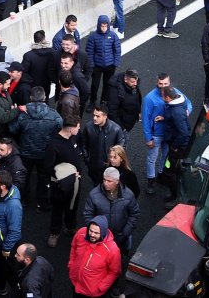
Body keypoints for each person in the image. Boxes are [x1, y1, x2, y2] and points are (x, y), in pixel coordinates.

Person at [142, 73, 191, 194]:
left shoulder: (173, 92)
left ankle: (161, 175)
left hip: (169, 134)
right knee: (152, 158)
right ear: (156, 83)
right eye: (160, 84)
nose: (163, 86)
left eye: (165, 84)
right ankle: (151, 179)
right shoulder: (149, 98)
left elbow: (188, 103)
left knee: (165, 156)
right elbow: (145, 119)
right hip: (156, 134)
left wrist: (187, 111)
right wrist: (148, 138)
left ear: (170, 84)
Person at [43, 116, 84, 248]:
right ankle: (54, 233)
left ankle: (71, 227)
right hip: (60, 185)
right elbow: (48, 167)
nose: (79, 129)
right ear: (71, 129)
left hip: (75, 182)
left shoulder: (74, 137)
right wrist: (67, 176)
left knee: (73, 205)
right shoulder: (53, 144)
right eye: (78, 127)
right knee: (58, 208)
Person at [82, 167, 139, 255]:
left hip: (121, 236)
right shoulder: (93, 195)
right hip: (101, 237)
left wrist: (125, 232)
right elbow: (88, 214)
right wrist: (96, 232)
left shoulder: (128, 195)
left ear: (117, 181)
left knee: (120, 256)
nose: (105, 183)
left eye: (109, 181)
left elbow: (134, 214)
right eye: (104, 180)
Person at [0, 170, 23, 295]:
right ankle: (0, 287)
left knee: (10, 272)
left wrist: (6, 248)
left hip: (4, 245)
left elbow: (15, 231)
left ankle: (19, 293)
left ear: (3, 186)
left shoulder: (13, 205)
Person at [67, 217, 122, 298]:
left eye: (96, 233)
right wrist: (71, 264)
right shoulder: (81, 233)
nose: (92, 235)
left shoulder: (112, 250)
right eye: (90, 231)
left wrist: (102, 287)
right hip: (76, 283)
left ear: (103, 232)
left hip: (93, 292)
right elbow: (74, 247)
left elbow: (114, 271)